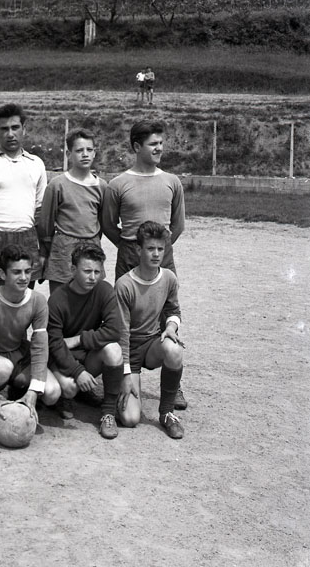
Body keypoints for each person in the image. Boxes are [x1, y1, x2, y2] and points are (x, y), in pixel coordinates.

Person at [101, 119, 187, 409]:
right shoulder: (118, 184)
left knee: (166, 311)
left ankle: (174, 384)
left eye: (161, 143)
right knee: (124, 315)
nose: (159, 148)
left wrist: (159, 249)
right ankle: (122, 374)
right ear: (137, 147)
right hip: (129, 251)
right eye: (153, 144)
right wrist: (132, 248)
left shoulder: (172, 182)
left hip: (163, 252)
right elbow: (108, 224)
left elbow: (178, 225)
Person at [0, 244, 60, 438]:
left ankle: (21, 400)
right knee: (2, 369)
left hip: (19, 354)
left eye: (28, 271)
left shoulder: (38, 301)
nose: (24, 277)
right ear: (3, 274)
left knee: (52, 392)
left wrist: (34, 390)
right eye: (17, 272)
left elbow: (40, 346)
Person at [115, 221, 185, 439]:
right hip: (128, 350)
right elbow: (121, 333)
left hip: (152, 344)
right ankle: (115, 388)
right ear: (138, 250)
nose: (156, 254)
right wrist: (126, 374)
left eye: (160, 249)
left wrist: (171, 327)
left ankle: (167, 413)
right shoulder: (124, 285)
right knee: (130, 419)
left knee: (174, 350)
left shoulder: (169, 278)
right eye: (150, 248)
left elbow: (173, 311)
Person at [47, 244, 125, 439]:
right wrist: (77, 372)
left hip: (86, 353)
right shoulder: (57, 299)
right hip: (62, 358)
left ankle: (108, 412)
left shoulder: (104, 290)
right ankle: (66, 396)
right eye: (87, 271)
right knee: (70, 387)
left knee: (113, 350)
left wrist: (79, 339)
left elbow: (114, 330)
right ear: (73, 270)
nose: (93, 277)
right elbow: (55, 344)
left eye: (97, 272)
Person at [0, 103, 47, 294]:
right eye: (4, 129)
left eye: (15, 127)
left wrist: (43, 251)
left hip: (27, 239)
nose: (10, 134)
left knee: (23, 303)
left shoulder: (36, 164)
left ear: (24, 129)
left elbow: (40, 211)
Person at [38, 128, 107, 293]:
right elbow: (46, 223)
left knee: (90, 298)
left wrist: (92, 240)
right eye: (79, 150)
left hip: (91, 247)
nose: (85, 154)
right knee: (61, 297)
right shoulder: (57, 185)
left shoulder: (102, 186)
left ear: (94, 153)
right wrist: (46, 252)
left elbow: (102, 221)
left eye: (89, 150)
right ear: (69, 154)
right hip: (63, 250)